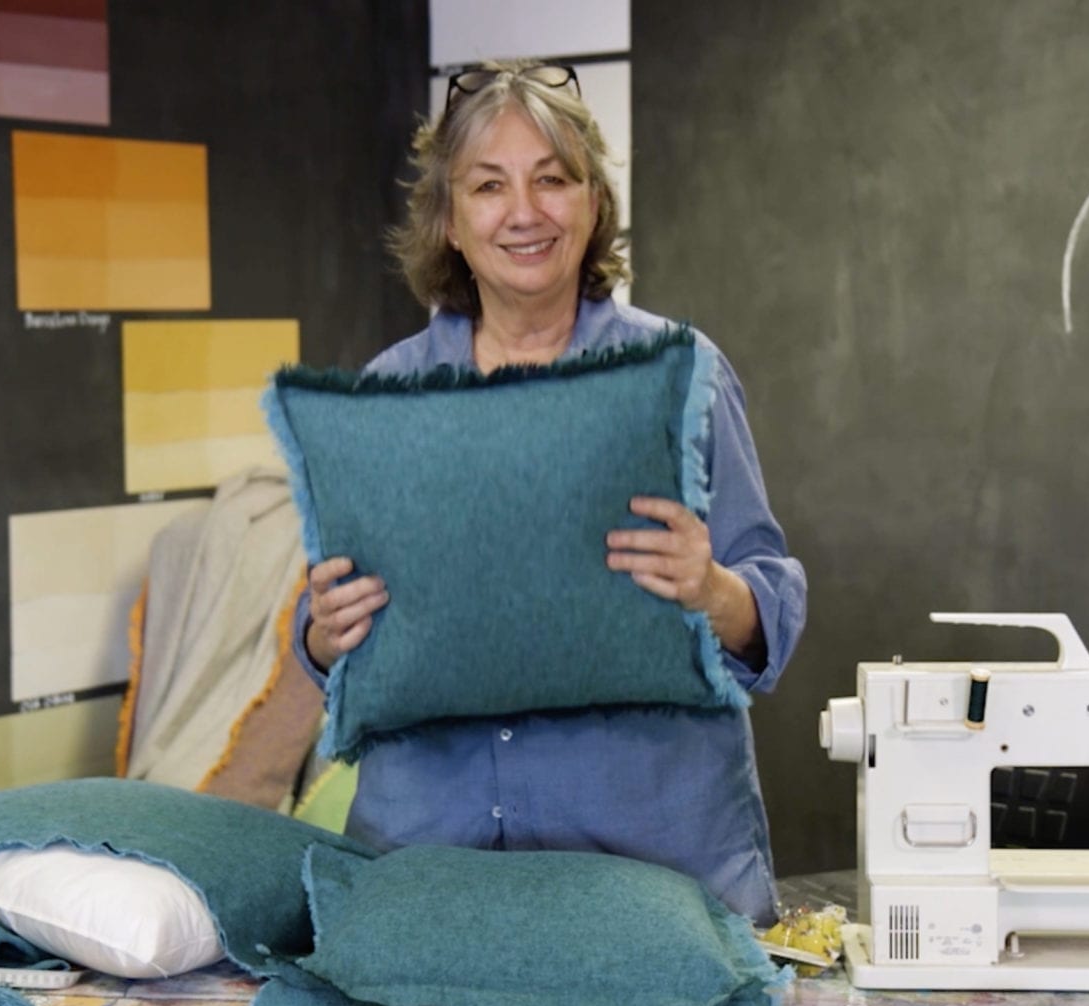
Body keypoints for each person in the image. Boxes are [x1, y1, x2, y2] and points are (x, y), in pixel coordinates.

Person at [290, 60, 807, 924]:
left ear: (593, 202)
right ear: (451, 220)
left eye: (553, 180)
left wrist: (713, 589)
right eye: (489, 186)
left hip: (654, 874)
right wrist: (324, 631)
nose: (524, 212)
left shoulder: (681, 376)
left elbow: (770, 606)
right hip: (431, 866)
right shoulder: (386, 395)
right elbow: (333, 643)